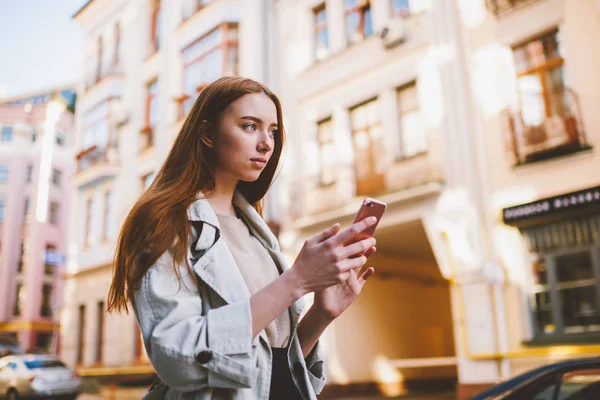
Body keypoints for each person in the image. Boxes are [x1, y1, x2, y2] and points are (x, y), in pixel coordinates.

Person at [107, 76, 377, 399]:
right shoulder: (165, 221)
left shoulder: (258, 234)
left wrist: (321, 314)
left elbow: (272, 363)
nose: (266, 143)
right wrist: (296, 281)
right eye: (250, 126)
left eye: (273, 131)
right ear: (207, 134)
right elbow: (176, 357)